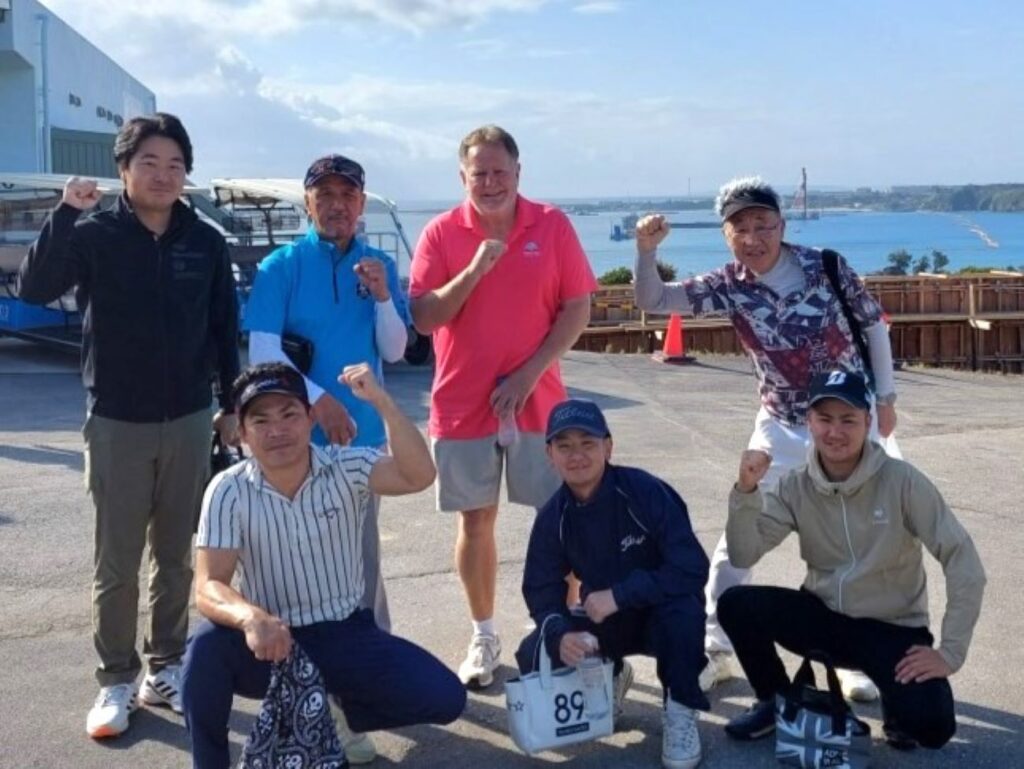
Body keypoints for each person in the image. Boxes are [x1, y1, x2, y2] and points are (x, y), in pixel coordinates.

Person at [17, 113, 240, 739]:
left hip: (191, 417)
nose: (163, 175)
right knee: (116, 562)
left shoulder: (205, 241)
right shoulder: (94, 233)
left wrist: (230, 405)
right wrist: (65, 213)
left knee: (176, 557)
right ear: (124, 169)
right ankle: (115, 677)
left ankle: (164, 667)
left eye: (175, 165)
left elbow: (224, 328)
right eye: (149, 163)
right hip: (117, 419)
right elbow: (35, 287)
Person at [633, 176, 899, 700]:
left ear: (782, 225)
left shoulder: (825, 266)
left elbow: (873, 327)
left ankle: (851, 654)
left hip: (847, 422)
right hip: (779, 425)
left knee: (857, 542)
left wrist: (886, 399)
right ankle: (714, 646)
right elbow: (654, 298)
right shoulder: (728, 284)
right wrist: (646, 252)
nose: (753, 237)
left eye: (763, 224)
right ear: (725, 234)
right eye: (740, 228)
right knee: (741, 536)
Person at [181, 362, 466, 769]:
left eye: (289, 414)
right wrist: (251, 618)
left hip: (344, 632)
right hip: (273, 640)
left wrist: (382, 402)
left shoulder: (346, 467)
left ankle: (331, 714)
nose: (277, 430)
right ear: (242, 432)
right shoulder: (227, 489)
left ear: (310, 418)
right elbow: (209, 585)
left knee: (445, 697)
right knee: (204, 650)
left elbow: (418, 475)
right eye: (261, 421)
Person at [409, 125, 597, 688]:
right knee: (476, 520)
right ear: (462, 177)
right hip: (462, 403)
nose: (490, 183)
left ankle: (556, 629)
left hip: (540, 402)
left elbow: (577, 308)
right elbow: (425, 318)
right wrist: (473, 271)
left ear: (518, 173)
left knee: (559, 520)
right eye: (479, 174)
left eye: (499, 171)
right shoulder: (442, 232)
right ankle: (484, 635)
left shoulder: (552, 224)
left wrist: (527, 374)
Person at [719, 370, 985, 750]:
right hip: (824, 617)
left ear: (868, 422)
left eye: (848, 420)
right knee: (736, 604)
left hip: (891, 629)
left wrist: (949, 653)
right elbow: (743, 553)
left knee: (931, 727)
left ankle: (896, 705)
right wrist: (746, 492)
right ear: (809, 421)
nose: (835, 431)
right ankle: (775, 700)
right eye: (824, 419)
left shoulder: (902, 480)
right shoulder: (796, 485)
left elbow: (962, 558)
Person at [244, 154, 409, 760]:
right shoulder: (281, 266)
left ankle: (363, 690)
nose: (337, 205)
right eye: (326, 194)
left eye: (348, 195)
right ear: (308, 202)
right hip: (290, 446)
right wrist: (320, 402)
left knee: (359, 570)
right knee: (293, 573)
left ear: (361, 203)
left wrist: (384, 297)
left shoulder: (378, 265)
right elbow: (263, 353)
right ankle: (305, 695)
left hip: (361, 446)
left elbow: (396, 347)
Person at [517, 399, 710, 769]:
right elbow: (540, 589)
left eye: (587, 443)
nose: (577, 456)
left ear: (608, 447)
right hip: (605, 619)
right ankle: (613, 675)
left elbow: (691, 567)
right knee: (534, 649)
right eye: (564, 446)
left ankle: (680, 707)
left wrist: (621, 595)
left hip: (661, 613)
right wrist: (560, 634)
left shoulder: (645, 491)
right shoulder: (553, 516)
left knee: (684, 611)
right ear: (549, 454)